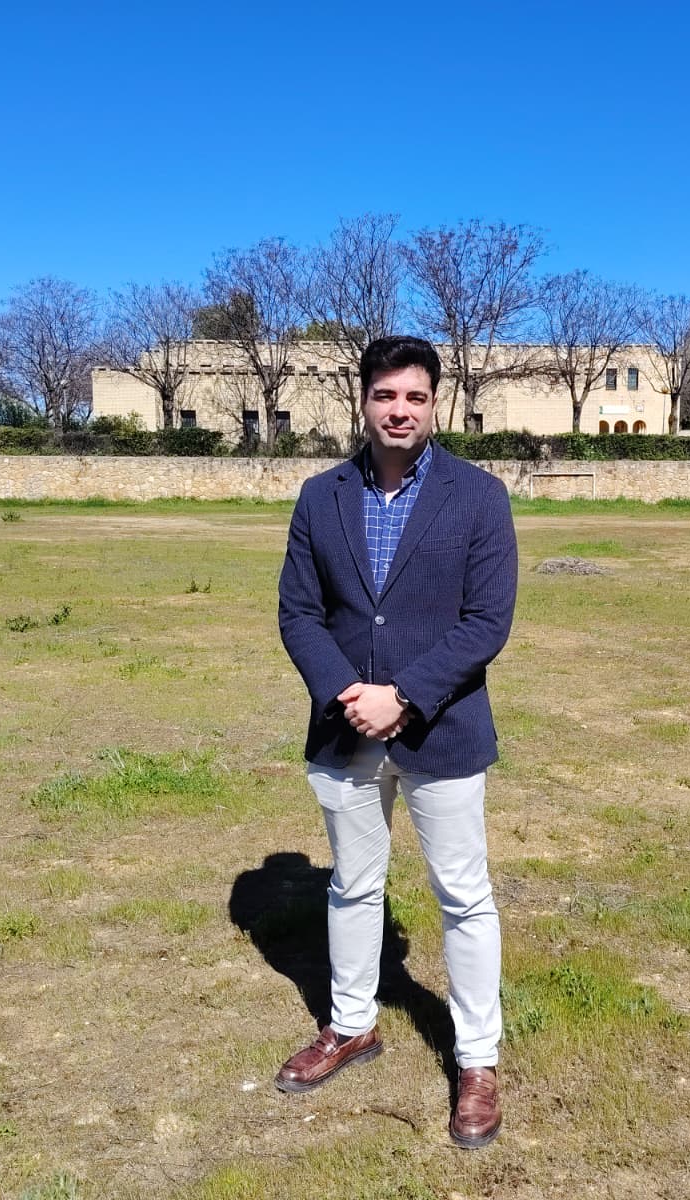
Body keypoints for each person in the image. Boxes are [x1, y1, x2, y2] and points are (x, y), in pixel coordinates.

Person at [274, 334, 518, 1149]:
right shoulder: (321, 497)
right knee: (352, 884)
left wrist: (405, 696)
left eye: (415, 396)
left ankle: (476, 1059)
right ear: (364, 402)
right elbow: (299, 613)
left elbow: (487, 621)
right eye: (386, 396)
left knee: (463, 895)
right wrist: (350, 694)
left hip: (443, 730)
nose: (400, 411)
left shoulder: (478, 496)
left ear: (435, 403)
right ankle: (351, 1024)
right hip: (345, 729)